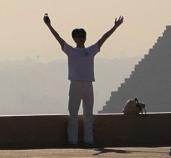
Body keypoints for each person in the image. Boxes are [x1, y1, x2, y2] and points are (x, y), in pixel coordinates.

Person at [42, 13, 123, 147]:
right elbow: (58, 39)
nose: (81, 38)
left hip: (88, 84)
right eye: (79, 36)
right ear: (74, 38)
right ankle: (73, 141)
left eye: (83, 36)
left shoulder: (91, 50)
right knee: (73, 114)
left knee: (88, 114)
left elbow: (104, 38)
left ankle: (88, 140)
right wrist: (49, 25)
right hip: (75, 84)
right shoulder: (70, 51)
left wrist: (115, 27)